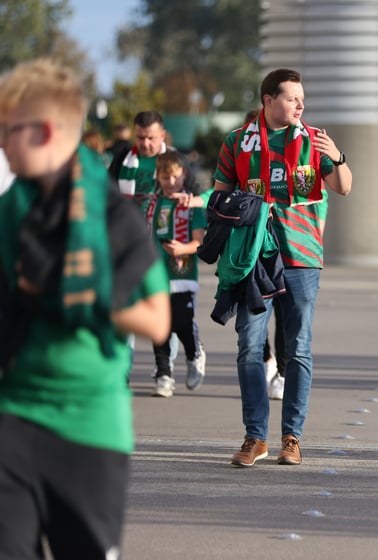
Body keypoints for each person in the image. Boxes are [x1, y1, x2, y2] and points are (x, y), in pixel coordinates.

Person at [0, 58, 170, 558]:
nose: (3, 143)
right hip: (13, 413)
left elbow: (156, 319)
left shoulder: (116, 218)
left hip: (90, 425)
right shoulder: (11, 211)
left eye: (9, 131)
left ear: (46, 131)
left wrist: (65, 290)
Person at [212, 68, 352, 467]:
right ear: (268, 99)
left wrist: (337, 156)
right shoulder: (237, 142)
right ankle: (255, 437)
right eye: (291, 97)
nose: (300, 104)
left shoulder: (314, 141)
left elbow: (344, 186)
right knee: (249, 347)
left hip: (302, 258)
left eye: (302, 98)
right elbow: (219, 200)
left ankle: (292, 437)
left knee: (299, 349)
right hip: (254, 259)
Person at [148, 151, 208, 398]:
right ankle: (163, 374)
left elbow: (199, 242)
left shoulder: (192, 205)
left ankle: (194, 353)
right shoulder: (152, 203)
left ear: (184, 174)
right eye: (164, 177)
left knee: (182, 321)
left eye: (174, 176)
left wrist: (182, 249)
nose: (170, 182)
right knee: (158, 324)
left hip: (183, 275)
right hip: (155, 274)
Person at [114, 110, 170, 211]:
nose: (145, 143)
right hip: (128, 219)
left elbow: (194, 193)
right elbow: (107, 189)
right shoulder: (122, 158)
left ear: (162, 136)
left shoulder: (173, 159)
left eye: (150, 138)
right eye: (140, 138)